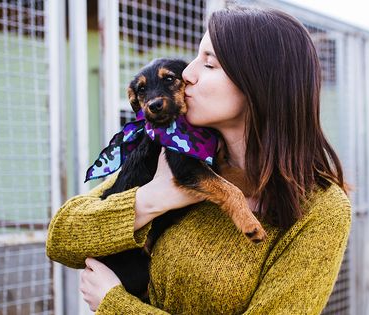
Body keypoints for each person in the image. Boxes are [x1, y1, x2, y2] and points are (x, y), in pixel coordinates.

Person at [46, 6, 352, 314]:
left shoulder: (322, 208)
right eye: (194, 58)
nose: (187, 74)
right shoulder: (174, 153)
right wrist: (151, 199)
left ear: (259, 84)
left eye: (209, 64)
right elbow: (60, 238)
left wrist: (115, 304)